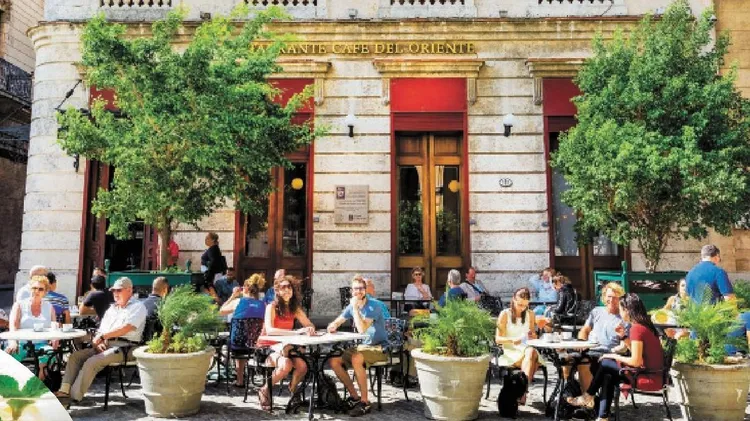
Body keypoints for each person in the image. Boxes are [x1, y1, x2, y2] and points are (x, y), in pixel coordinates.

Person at [567, 293, 664, 421]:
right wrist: (623, 337)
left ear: (627, 310)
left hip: (646, 377)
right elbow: (637, 353)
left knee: (605, 363)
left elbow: (636, 361)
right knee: (607, 374)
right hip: (654, 375)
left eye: (621, 309)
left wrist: (613, 356)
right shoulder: (643, 325)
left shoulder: (636, 329)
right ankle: (602, 416)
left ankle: (588, 396)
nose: (620, 312)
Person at [55, 277, 147, 404]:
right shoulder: (112, 308)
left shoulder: (138, 307)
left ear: (129, 290)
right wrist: (99, 342)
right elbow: (101, 330)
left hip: (126, 347)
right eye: (113, 291)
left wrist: (104, 337)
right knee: (75, 357)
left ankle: (72, 397)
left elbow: (127, 327)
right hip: (107, 344)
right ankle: (64, 391)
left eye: (119, 290)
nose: (115, 293)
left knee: (92, 362)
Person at [328, 276, 388, 417]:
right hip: (362, 347)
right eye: (356, 289)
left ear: (365, 290)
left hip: (379, 347)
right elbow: (338, 320)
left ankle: (365, 402)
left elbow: (362, 329)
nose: (359, 291)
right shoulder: (352, 306)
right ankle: (355, 397)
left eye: (361, 288)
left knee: (356, 358)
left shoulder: (374, 305)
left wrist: (355, 308)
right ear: (352, 291)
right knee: (334, 360)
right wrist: (333, 326)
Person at [256, 276, 315, 413]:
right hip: (267, 346)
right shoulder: (271, 307)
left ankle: (292, 389)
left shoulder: (295, 308)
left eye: (289, 287)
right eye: (283, 287)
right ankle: (265, 389)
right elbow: (270, 331)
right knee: (286, 364)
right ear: (277, 291)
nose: (287, 290)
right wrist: (296, 332)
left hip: (285, 345)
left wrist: (309, 329)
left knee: (303, 366)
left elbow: (309, 324)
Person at [576, 282, 627, 391]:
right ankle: (572, 392)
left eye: (615, 298)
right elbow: (585, 330)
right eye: (609, 296)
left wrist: (613, 351)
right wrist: (582, 342)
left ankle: (588, 397)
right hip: (590, 350)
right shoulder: (596, 311)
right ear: (604, 297)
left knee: (584, 362)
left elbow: (625, 345)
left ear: (620, 300)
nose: (611, 300)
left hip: (609, 353)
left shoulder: (624, 317)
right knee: (566, 359)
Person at [494, 287, 540, 405]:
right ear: (513, 299)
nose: (522, 308)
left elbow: (533, 335)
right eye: (520, 304)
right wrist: (513, 340)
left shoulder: (530, 314)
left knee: (531, 352)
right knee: (533, 358)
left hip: (527, 349)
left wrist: (533, 335)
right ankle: (523, 393)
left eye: (525, 305)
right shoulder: (505, 314)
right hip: (511, 351)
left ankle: (520, 392)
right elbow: (497, 339)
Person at [220, 273, 267, 388]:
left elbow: (221, 311)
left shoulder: (238, 302)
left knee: (229, 342)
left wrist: (232, 296)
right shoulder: (263, 305)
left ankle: (239, 379)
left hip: (237, 343)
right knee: (244, 340)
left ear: (245, 289)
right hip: (254, 344)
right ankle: (243, 376)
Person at [7, 275, 58, 380]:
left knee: (49, 354)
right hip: (22, 343)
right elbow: (13, 326)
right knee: (10, 355)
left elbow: (54, 326)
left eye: (40, 289)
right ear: (30, 289)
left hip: (42, 343)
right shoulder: (19, 305)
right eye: (34, 288)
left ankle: (37, 385)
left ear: (45, 292)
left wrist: (55, 338)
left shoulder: (49, 307)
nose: (37, 291)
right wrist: (13, 342)